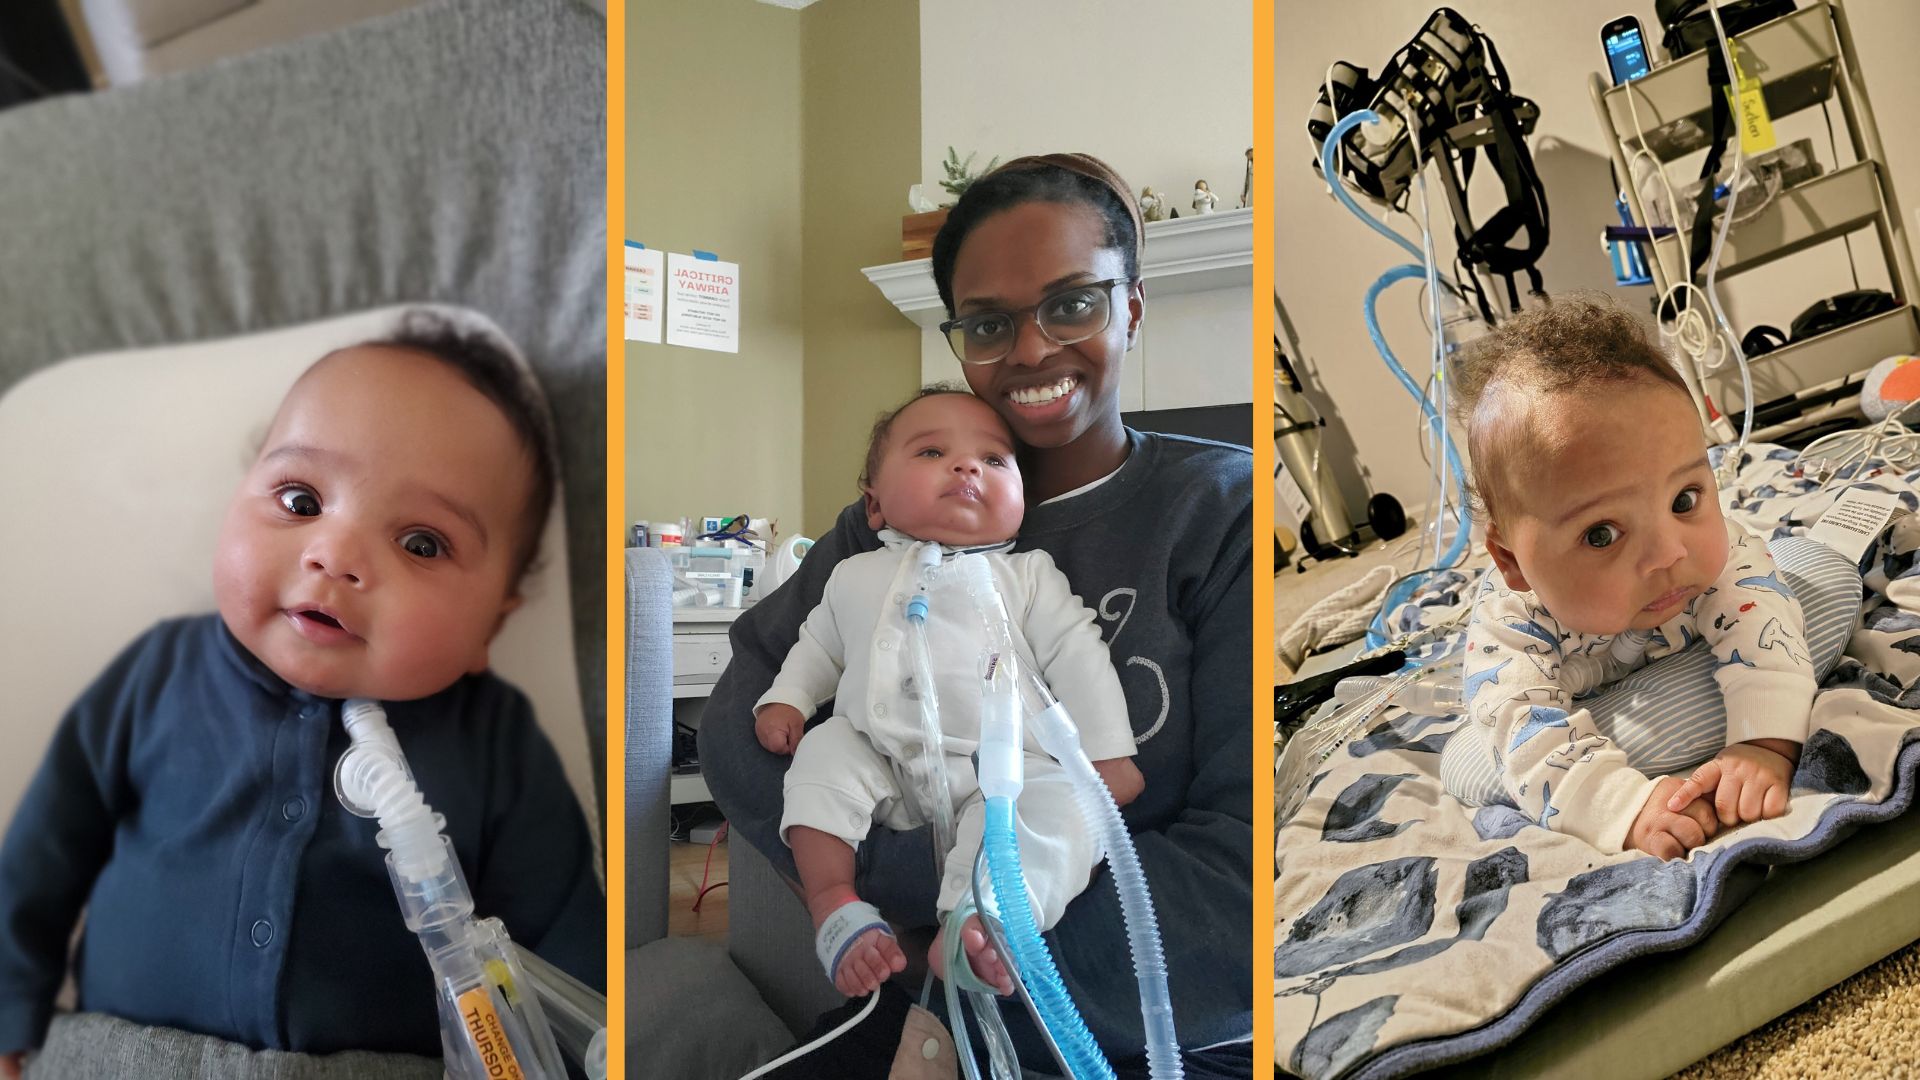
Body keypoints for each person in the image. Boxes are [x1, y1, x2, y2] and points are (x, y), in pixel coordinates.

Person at [700, 153, 1254, 1075]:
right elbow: (737, 732)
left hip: (1145, 1031)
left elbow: (1239, 878)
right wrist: (877, 899)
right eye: (991, 324)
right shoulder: (894, 524)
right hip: (922, 992)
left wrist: (971, 918)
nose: (1032, 350)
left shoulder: (1213, 513)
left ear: (1133, 306)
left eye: (1074, 302)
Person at [0, 313, 604, 1073]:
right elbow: (39, 857)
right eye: (300, 501)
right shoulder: (157, 677)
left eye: (421, 543)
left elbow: (567, 941)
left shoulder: (495, 742)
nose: (335, 555)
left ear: (493, 622)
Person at [753, 387, 1143, 999]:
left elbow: (1078, 654)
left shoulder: (1025, 577)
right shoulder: (852, 575)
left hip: (1004, 771)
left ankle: (983, 920)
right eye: (933, 451)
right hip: (876, 755)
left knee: (1065, 812)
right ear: (873, 503)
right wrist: (789, 699)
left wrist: (1105, 752)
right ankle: (833, 901)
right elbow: (820, 646)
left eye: (994, 460)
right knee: (822, 756)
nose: (966, 467)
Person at [1445, 297, 1816, 860]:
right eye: (1601, 534)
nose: (1668, 552)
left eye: (1685, 499)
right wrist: (1625, 804)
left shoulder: (1722, 555)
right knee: (1477, 747)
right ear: (1512, 562)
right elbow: (1521, 726)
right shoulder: (1511, 629)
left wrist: (1763, 744)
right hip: (1567, 694)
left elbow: (1765, 627)